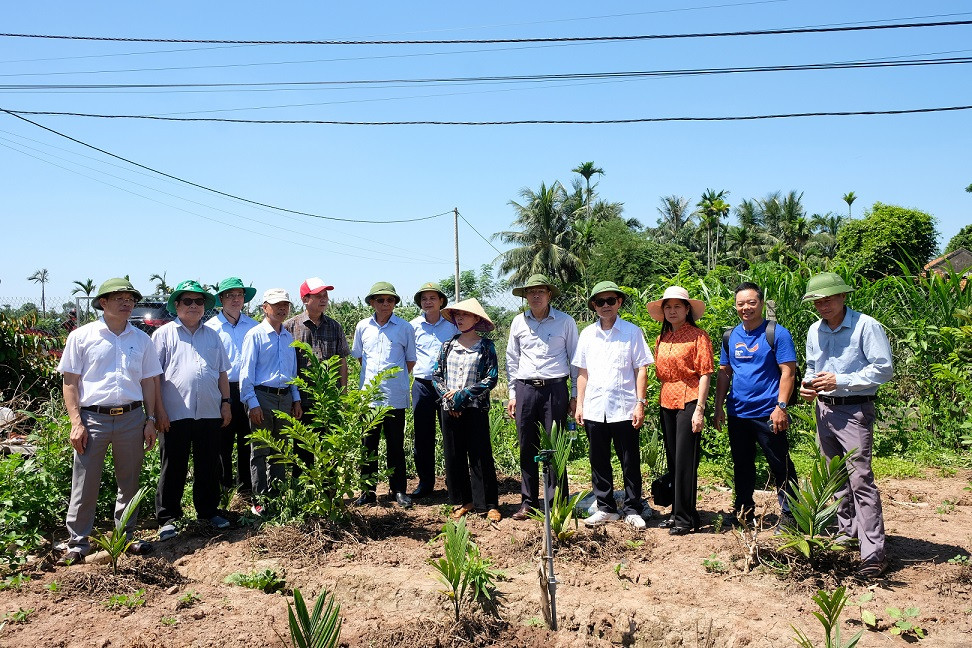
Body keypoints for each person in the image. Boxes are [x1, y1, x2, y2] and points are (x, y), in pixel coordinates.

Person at [56, 278, 162, 565]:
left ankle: (125, 538)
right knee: (85, 481)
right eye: (120, 298)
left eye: (130, 298)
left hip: (131, 417)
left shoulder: (141, 340)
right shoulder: (82, 336)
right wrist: (76, 422)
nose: (127, 303)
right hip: (93, 419)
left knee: (129, 482)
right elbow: (70, 382)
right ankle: (78, 543)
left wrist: (150, 419)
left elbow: (149, 381)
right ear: (103, 303)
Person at [800, 272, 893, 578]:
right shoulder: (815, 330)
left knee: (860, 480)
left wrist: (841, 380)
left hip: (854, 411)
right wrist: (808, 384)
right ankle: (846, 533)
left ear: (842, 297)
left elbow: (883, 369)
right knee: (836, 478)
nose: (823, 306)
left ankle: (873, 553)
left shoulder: (866, 326)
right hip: (824, 410)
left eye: (828, 299)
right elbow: (813, 366)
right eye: (817, 301)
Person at [713, 282, 798, 528]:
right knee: (742, 464)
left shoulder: (777, 333)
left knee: (779, 463)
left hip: (768, 413)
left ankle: (791, 515)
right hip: (738, 412)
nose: (746, 308)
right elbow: (724, 373)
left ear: (761, 303)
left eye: (751, 302)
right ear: (735, 306)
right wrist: (719, 407)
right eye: (741, 304)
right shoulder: (730, 336)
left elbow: (788, 372)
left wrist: (781, 407)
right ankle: (744, 511)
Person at [153, 280, 232, 541]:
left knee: (209, 464)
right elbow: (154, 378)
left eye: (199, 301)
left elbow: (222, 372)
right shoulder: (163, 335)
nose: (194, 306)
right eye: (188, 301)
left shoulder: (212, 335)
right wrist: (158, 412)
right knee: (173, 465)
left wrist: (226, 403)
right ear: (176, 305)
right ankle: (167, 518)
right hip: (175, 413)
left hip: (209, 410)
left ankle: (208, 512)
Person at [574, 282, 653, 529]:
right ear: (594, 306)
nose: (606, 306)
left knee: (629, 459)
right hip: (595, 408)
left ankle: (631, 508)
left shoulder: (632, 332)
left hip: (624, 406)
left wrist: (640, 403)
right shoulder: (587, 334)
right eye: (600, 302)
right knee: (598, 459)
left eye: (611, 301)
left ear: (619, 302)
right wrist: (580, 404)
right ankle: (606, 508)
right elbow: (582, 372)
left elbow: (641, 369)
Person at [505, 274, 579, 521]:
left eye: (541, 291)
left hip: (555, 389)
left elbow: (575, 360)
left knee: (554, 445)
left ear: (549, 295)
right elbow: (512, 359)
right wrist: (513, 393)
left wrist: (575, 395)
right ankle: (528, 501)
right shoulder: (518, 322)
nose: (535, 296)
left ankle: (556, 501)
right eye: (531, 292)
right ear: (525, 296)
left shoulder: (565, 322)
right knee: (527, 444)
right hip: (525, 389)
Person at [648, 285, 714, 536]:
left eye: (678, 306)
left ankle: (686, 519)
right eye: (668, 307)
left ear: (688, 309)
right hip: (666, 400)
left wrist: (700, 410)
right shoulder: (661, 338)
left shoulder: (699, 336)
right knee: (675, 460)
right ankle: (678, 512)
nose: (672, 311)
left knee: (686, 461)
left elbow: (706, 374)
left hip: (689, 398)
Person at [433, 298, 501, 521]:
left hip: (475, 409)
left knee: (480, 455)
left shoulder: (486, 346)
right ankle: (463, 501)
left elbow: (491, 378)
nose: (460, 319)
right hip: (450, 409)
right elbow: (436, 375)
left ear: (476, 319)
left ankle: (488, 503)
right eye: (457, 316)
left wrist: (462, 396)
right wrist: (451, 400)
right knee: (454, 454)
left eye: (465, 315)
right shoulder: (448, 346)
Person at [351, 282, 416, 508]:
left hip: (394, 397)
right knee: (368, 445)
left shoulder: (405, 328)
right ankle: (368, 492)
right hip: (369, 399)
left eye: (390, 300)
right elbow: (360, 357)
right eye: (380, 300)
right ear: (371, 303)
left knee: (395, 445)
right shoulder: (362, 327)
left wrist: (392, 380)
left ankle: (398, 490)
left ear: (395, 303)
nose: (385, 304)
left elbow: (410, 360)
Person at [240, 289, 302, 515]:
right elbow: (246, 373)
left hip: (284, 397)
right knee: (260, 450)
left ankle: (276, 497)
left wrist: (295, 399)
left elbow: (291, 372)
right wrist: (252, 403)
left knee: (281, 450)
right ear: (264, 307)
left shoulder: (287, 336)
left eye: (285, 304)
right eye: (276, 304)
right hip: (262, 397)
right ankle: (260, 500)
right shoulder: (255, 335)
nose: (281, 308)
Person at [283, 277, 350, 476]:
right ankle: (305, 495)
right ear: (305, 299)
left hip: (329, 399)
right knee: (303, 448)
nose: (323, 299)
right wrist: (293, 399)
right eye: (318, 296)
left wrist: (343, 395)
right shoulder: (290, 327)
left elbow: (342, 362)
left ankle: (328, 495)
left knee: (329, 449)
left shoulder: (335, 326)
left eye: (325, 295)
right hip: (301, 399)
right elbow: (287, 365)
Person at [205, 277, 259, 493]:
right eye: (230, 295)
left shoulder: (253, 327)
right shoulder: (211, 328)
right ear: (221, 299)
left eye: (239, 295)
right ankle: (224, 487)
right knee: (222, 442)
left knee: (248, 440)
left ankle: (246, 488)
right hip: (222, 391)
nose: (236, 299)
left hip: (247, 389)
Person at [409, 281, 458, 498]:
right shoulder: (412, 326)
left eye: (432, 298)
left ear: (441, 301)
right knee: (422, 435)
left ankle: (454, 481)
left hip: (447, 386)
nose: (428, 302)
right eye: (424, 299)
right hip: (422, 385)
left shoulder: (452, 325)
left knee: (452, 433)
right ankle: (425, 483)